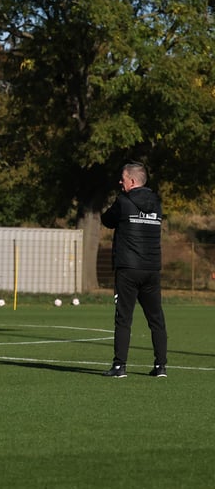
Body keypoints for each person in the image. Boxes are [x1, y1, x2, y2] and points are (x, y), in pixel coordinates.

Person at [100, 162, 168, 378]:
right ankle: (161, 366)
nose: (120, 182)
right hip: (151, 268)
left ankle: (119, 366)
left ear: (132, 181)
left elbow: (107, 220)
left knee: (123, 318)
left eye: (123, 178)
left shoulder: (124, 201)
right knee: (156, 318)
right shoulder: (157, 203)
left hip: (128, 269)